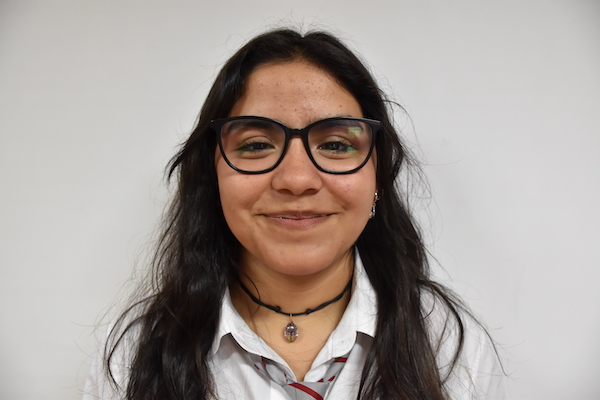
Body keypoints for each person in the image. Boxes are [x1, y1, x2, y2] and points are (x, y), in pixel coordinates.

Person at [83, 28, 504, 400]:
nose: (297, 179)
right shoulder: (132, 354)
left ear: (377, 177)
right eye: (256, 145)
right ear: (212, 176)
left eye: (336, 144)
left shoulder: (450, 348)